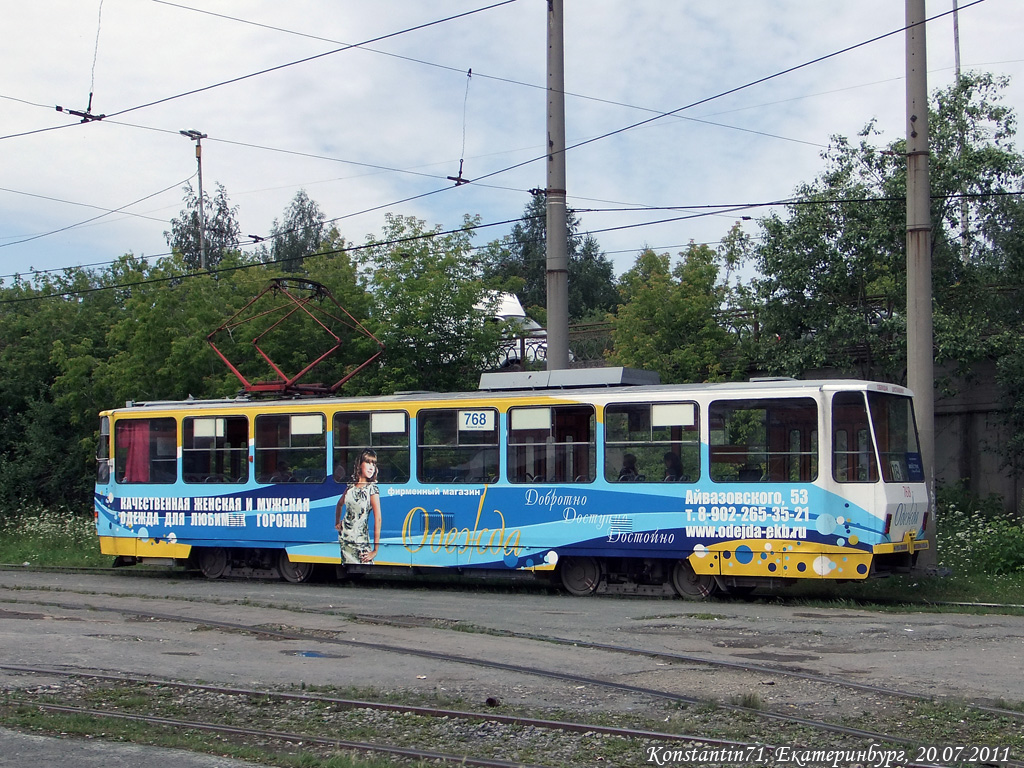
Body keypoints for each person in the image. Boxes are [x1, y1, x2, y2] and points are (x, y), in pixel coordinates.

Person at [335, 449, 382, 564]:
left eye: (374, 464)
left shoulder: (372, 489)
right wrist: (337, 523)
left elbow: (378, 519)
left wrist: (375, 550)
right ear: (360, 465)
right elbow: (340, 504)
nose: (372, 467)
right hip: (345, 541)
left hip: (361, 542)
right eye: (368, 463)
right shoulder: (351, 487)